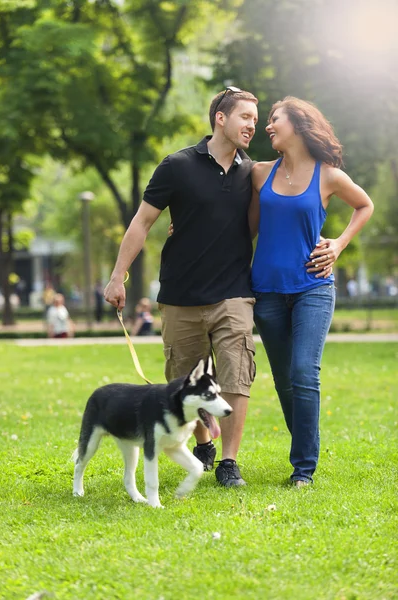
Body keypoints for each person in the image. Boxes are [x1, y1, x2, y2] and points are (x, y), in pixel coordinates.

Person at [104, 87, 259, 487]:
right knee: (187, 380)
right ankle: (204, 442)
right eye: (245, 117)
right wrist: (118, 275)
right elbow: (142, 222)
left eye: (256, 121)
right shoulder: (176, 166)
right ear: (220, 119)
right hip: (181, 296)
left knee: (236, 373)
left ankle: (228, 463)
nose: (252, 126)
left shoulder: (252, 173)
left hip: (234, 292)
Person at [249, 96, 374, 487]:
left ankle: (304, 468)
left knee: (304, 372)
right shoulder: (258, 173)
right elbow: (238, 222)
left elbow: (364, 205)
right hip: (267, 290)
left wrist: (338, 244)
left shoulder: (329, 175)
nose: (267, 126)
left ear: (299, 125)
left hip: (313, 288)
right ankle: (303, 449)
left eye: (274, 119)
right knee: (285, 380)